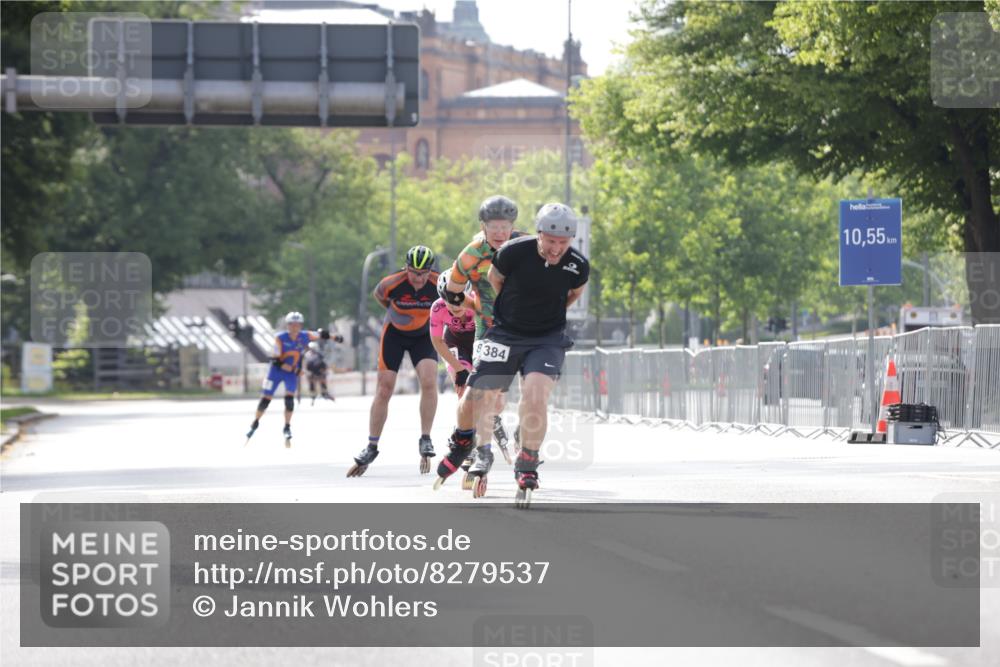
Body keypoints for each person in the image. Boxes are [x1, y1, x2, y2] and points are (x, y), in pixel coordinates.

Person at [434, 203, 589, 506]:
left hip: (547, 338)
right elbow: (496, 281)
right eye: (550, 242)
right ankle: (463, 439)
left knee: (535, 392)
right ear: (539, 234)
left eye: (563, 243)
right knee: (475, 396)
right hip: (505, 333)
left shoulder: (577, 265)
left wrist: (546, 316)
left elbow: (572, 295)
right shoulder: (513, 252)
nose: (556, 249)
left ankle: (528, 461)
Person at [445, 195, 522, 474]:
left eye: (506, 226)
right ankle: (483, 452)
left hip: (524, 328)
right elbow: (452, 292)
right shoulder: (471, 253)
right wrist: (461, 301)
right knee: (484, 393)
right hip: (488, 328)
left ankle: (521, 434)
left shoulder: (527, 246)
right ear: (483, 226)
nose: (501, 232)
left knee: (510, 396)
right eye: (494, 226)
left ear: (513, 226)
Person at [348, 245, 441, 477]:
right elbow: (380, 297)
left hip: (423, 336)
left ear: (430, 271)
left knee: (429, 382)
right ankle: (371, 446)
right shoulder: (391, 283)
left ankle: (425, 438)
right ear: (406, 268)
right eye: (413, 273)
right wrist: (398, 315)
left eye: (423, 274)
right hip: (395, 335)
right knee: (384, 389)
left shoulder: (439, 284)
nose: (418, 278)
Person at [245, 311, 342, 447]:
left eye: (297, 325)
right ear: (287, 325)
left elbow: (321, 334)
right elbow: (275, 360)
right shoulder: (280, 338)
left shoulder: (304, 336)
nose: (295, 327)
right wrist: (295, 370)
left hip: (291, 373)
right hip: (276, 371)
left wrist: (335, 337)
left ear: (301, 325)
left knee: (289, 400)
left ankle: (287, 426)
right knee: (266, 400)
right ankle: (255, 421)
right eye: (292, 325)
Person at [428, 269, 480, 399]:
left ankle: (491, 418)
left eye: (460, 302)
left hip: (479, 341)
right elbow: (437, 341)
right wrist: (459, 369)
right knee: (465, 392)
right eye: (450, 302)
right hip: (455, 343)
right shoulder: (437, 308)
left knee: (487, 391)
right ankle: (467, 418)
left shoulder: (478, 302)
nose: (456, 307)